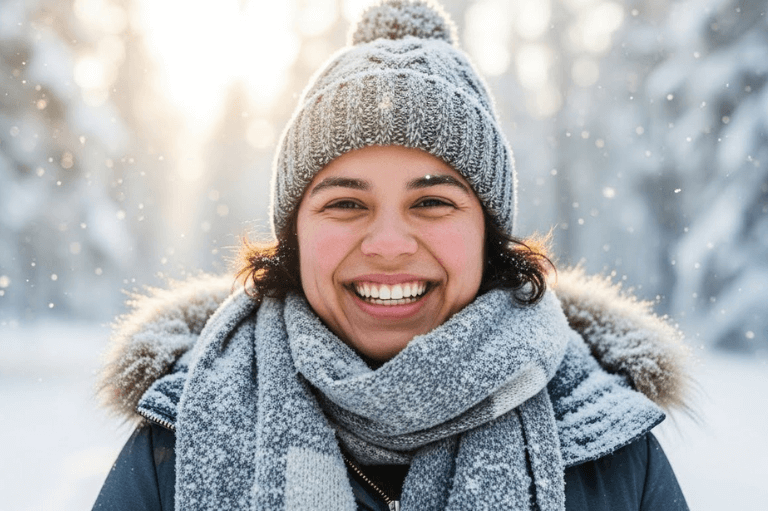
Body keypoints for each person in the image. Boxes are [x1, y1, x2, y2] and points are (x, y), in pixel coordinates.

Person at [93, 1, 691, 510]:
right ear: (294, 238)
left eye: (431, 202)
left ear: (489, 235)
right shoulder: (178, 441)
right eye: (346, 205)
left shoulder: (608, 451)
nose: (387, 244)